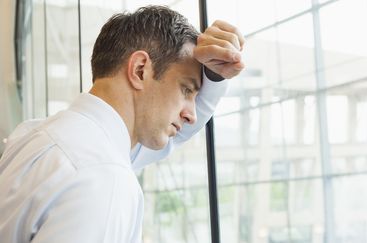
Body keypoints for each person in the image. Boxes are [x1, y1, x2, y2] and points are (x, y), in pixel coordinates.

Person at [0, 5, 244, 243]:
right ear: (139, 70)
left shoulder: (33, 135)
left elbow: (172, 136)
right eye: (186, 89)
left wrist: (213, 77)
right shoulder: (104, 178)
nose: (191, 115)